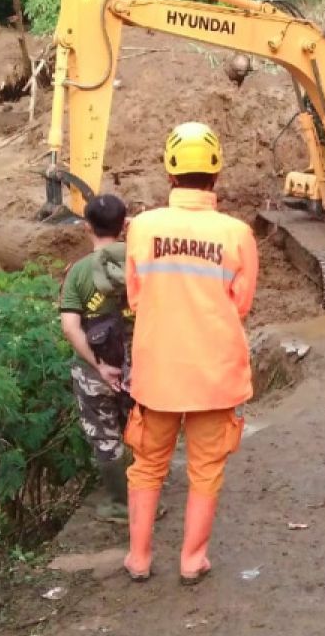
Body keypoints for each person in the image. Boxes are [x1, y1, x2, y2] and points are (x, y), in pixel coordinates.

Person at [123, 122, 259, 585]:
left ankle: (139, 559)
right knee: (205, 469)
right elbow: (240, 305)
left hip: (157, 374)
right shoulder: (237, 233)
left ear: (170, 171)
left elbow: (136, 298)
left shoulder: (141, 227)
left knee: (147, 465)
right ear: (216, 173)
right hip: (214, 374)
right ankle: (191, 560)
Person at [59, 194, 134, 523]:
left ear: (86, 226)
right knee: (140, 432)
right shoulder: (140, 264)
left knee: (105, 436)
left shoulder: (78, 272)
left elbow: (71, 327)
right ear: (124, 225)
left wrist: (99, 366)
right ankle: (147, 497)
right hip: (140, 369)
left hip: (96, 371)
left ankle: (121, 503)